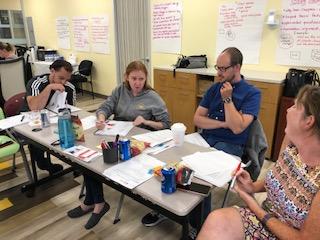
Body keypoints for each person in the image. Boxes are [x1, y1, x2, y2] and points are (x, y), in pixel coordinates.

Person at [197, 85, 320, 240]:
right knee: (216, 220)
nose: (288, 110)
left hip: (281, 230)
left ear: (308, 121)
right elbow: (281, 179)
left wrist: (253, 204)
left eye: (296, 106)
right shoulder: (291, 145)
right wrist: (252, 186)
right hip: (264, 222)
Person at [67, 60, 170, 229]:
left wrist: (146, 121)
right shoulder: (120, 90)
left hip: (139, 142)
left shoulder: (153, 97)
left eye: (141, 79)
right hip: (116, 135)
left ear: (146, 79)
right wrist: (101, 118)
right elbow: (106, 107)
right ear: (126, 77)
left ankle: (95, 203)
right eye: (134, 78)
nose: (137, 83)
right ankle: (94, 202)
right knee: (89, 158)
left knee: (98, 161)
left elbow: (166, 124)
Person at [21, 59, 76, 174]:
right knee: (37, 136)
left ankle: (76, 163)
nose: (64, 83)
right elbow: (34, 108)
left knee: (70, 130)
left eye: (67, 79)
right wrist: (49, 87)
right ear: (52, 71)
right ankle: (42, 162)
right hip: (30, 118)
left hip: (54, 118)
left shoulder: (69, 87)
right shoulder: (37, 82)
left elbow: (72, 111)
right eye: (61, 78)